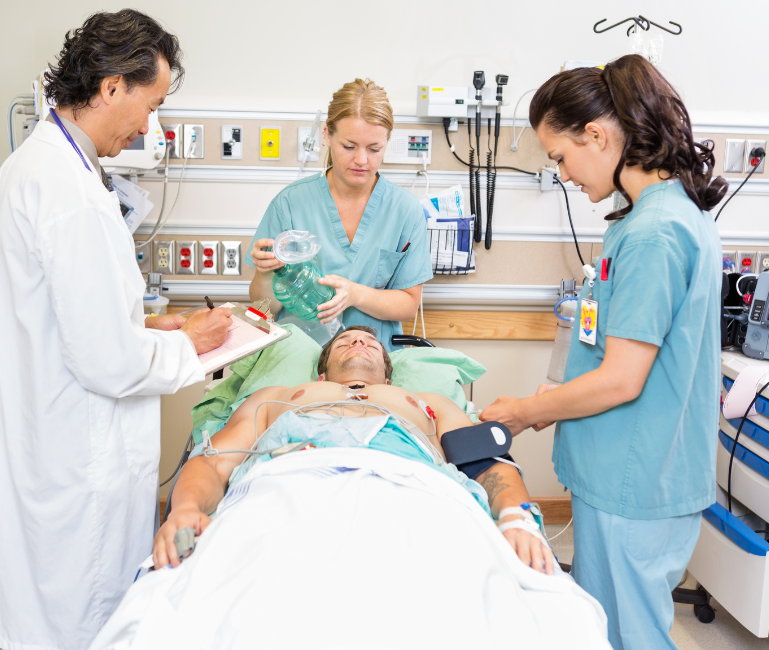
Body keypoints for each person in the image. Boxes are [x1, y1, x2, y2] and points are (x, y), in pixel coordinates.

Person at [0, 10, 232, 650]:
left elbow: (63, 314)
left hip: (54, 438)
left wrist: (147, 323)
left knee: (49, 609)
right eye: (147, 106)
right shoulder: (66, 192)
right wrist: (190, 345)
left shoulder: (43, 168)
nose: (148, 126)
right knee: (85, 619)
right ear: (112, 86)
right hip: (80, 456)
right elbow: (107, 361)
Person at [478, 55, 725, 650]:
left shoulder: (654, 234)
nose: (561, 174)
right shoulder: (656, 218)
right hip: (630, 470)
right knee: (604, 631)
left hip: (633, 480)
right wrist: (557, 397)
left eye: (560, 157)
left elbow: (621, 380)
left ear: (597, 134)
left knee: (628, 638)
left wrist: (528, 412)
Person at [155, 326, 555, 575]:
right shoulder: (276, 396)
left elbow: (486, 463)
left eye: (370, 342)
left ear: (388, 372)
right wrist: (187, 508)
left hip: (410, 483)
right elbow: (213, 461)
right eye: (346, 340)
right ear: (322, 372)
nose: (360, 341)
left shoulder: (426, 400)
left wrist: (515, 517)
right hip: (288, 479)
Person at [246, 79, 433, 352]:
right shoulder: (290, 204)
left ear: (386, 143)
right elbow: (265, 307)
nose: (361, 160)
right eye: (349, 146)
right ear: (327, 135)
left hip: (370, 360)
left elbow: (408, 305)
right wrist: (264, 274)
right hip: (300, 355)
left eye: (374, 149)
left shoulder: (405, 210)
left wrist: (355, 295)